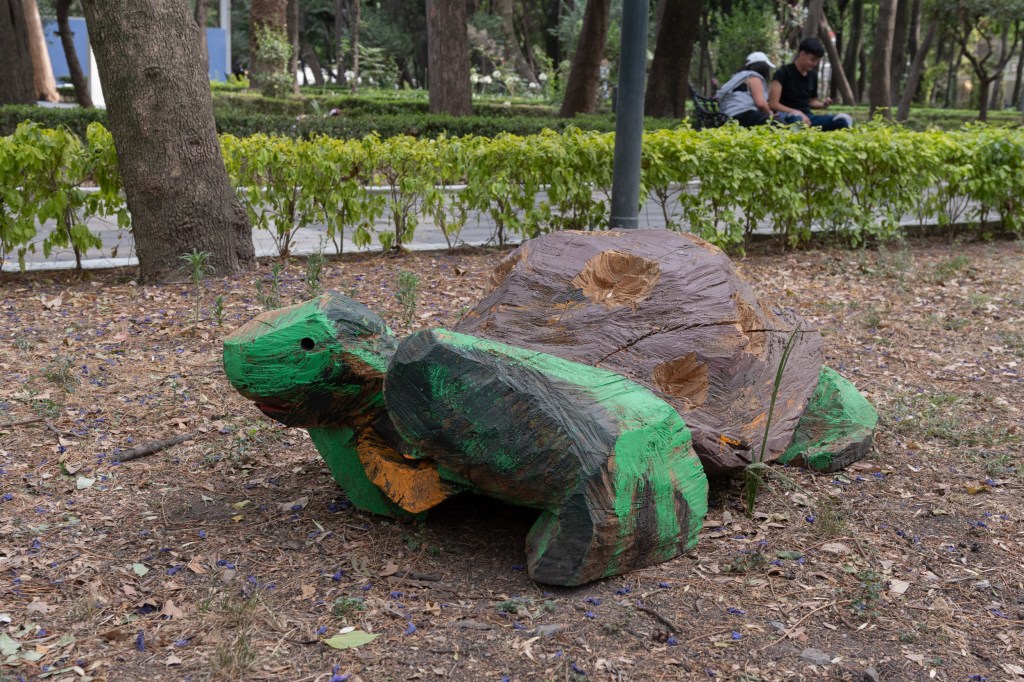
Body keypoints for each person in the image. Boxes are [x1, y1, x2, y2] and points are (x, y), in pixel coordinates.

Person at [769, 38, 853, 131]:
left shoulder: (813, 75)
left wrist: (823, 104)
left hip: (808, 118)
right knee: (797, 119)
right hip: (788, 116)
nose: (815, 63)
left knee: (844, 118)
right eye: (812, 60)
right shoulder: (782, 73)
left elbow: (811, 102)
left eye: (817, 61)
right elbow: (773, 104)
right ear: (802, 54)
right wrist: (796, 112)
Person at [716, 52, 778, 127]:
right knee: (778, 123)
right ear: (763, 67)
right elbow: (760, 103)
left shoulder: (740, 76)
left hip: (730, 114)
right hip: (742, 114)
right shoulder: (754, 77)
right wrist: (770, 114)